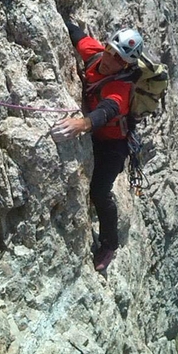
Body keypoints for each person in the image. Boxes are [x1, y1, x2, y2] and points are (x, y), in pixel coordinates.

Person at [51, 23, 144, 272]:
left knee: (99, 192)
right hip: (95, 134)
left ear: (126, 66)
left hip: (113, 145)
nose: (109, 60)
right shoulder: (95, 53)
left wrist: (82, 123)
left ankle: (109, 244)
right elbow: (76, 34)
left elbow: (108, 110)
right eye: (110, 51)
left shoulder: (121, 87)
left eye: (118, 59)